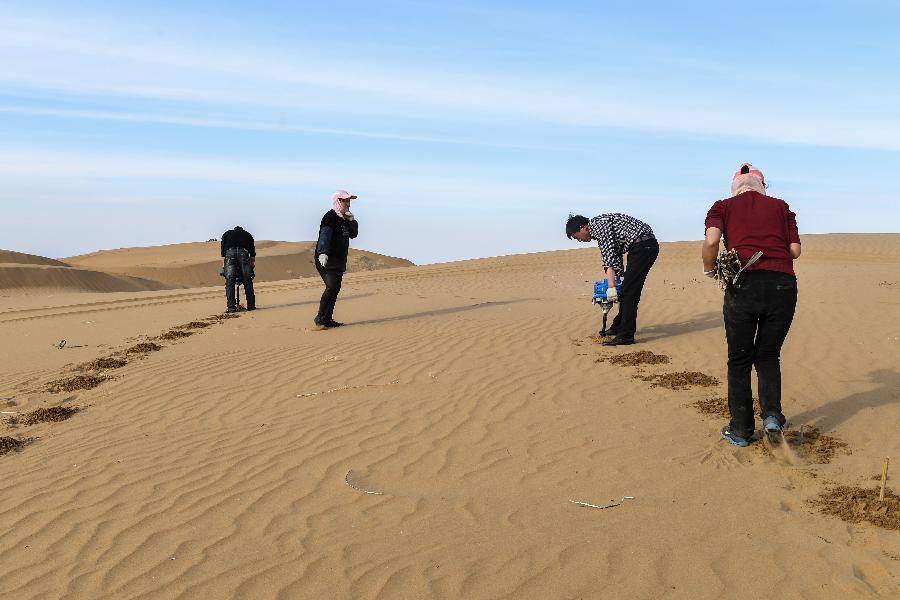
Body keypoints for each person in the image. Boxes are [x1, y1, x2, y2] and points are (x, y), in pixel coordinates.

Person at [702, 163, 802, 447]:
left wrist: (710, 269)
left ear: (735, 187)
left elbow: (711, 242)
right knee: (769, 355)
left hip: (744, 286)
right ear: (762, 185)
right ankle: (771, 416)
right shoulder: (782, 207)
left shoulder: (722, 206)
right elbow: (794, 250)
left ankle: (741, 429)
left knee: (740, 359)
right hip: (783, 285)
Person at [566, 212, 659, 345]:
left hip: (644, 246)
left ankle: (626, 335)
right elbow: (615, 254)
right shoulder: (600, 224)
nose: (579, 240)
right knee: (627, 290)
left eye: (577, 237)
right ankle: (618, 327)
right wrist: (615, 281)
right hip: (641, 246)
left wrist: (611, 287)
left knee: (630, 292)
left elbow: (609, 256)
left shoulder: (598, 226)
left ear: (583, 227)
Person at [314, 190, 359, 328]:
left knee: (336, 288)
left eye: (349, 201)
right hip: (326, 259)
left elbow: (353, 234)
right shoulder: (330, 217)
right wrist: (323, 252)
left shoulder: (345, 218)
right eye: (345, 200)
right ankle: (320, 318)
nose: (348, 203)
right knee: (332, 286)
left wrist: (351, 221)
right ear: (337, 201)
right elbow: (325, 235)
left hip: (339, 261)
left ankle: (328, 319)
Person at [221, 225, 256, 313]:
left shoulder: (226, 234)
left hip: (229, 254)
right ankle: (251, 306)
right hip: (243, 253)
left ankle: (231, 308)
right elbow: (252, 254)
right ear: (242, 230)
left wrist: (224, 267)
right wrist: (251, 268)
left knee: (230, 282)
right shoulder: (248, 235)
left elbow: (223, 254)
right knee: (247, 281)